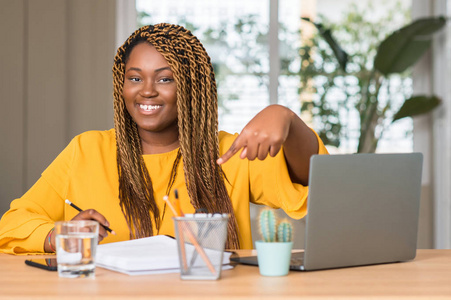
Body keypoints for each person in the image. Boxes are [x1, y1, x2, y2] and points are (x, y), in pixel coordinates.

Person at [0, 23, 328, 254]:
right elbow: (12, 224)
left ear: (191, 87)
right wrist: (59, 235)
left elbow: (316, 184)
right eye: (135, 78)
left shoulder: (229, 153)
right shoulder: (87, 150)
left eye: (165, 78)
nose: (146, 90)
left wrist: (287, 119)